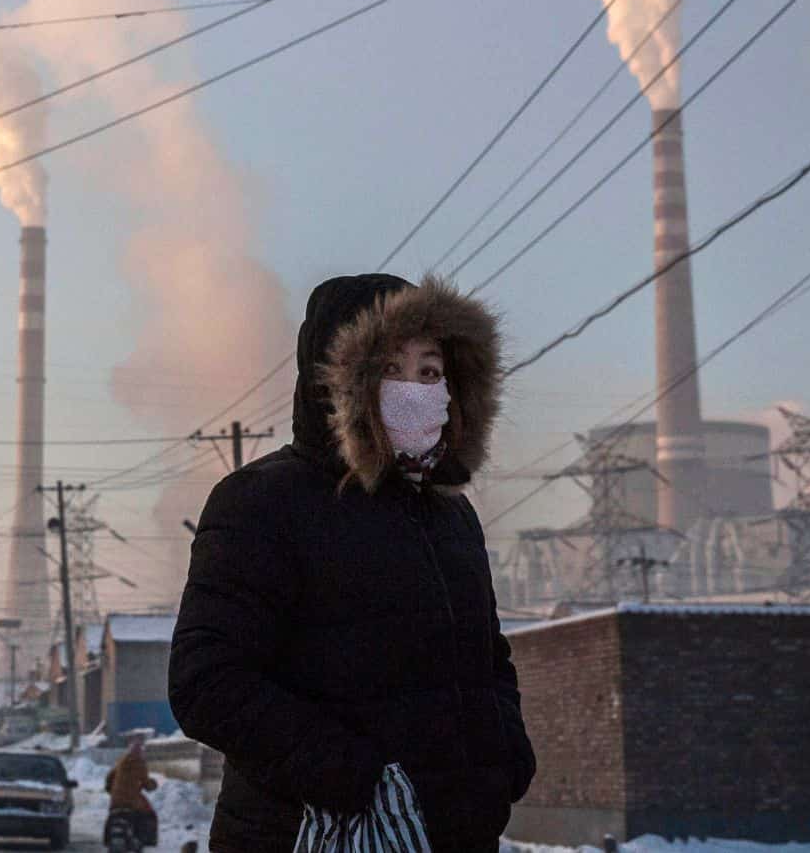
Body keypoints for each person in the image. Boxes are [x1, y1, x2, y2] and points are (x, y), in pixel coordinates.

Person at [169, 274, 536, 852]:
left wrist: (506, 756)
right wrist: (354, 778)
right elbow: (208, 684)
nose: (415, 390)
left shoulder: (450, 517)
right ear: (340, 382)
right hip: (310, 835)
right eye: (390, 370)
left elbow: (488, 660)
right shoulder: (265, 501)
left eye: (430, 372)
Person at [105, 735, 160, 847]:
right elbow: (146, 784)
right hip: (131, 802)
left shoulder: (121, 761)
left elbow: (109, 777)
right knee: (149, 813)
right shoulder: (140, 763)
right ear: (141, 753)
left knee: (111, 816)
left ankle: (107, 839)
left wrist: (111, 789)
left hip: (115, 801)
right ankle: (143, 839)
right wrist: (153, 784)